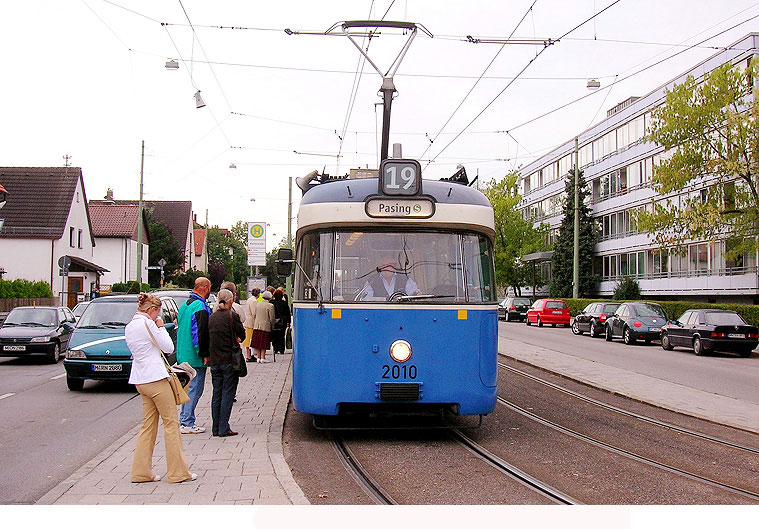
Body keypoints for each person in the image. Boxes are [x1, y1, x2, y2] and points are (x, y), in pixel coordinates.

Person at [125, 293, 196, 483]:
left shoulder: (130, 326)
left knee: (148, 426)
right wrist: (160, 327)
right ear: (152, 310)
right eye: (158, 312)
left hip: (140, 380)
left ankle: (140, 472)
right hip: (156, 379)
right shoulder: (149, 324)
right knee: (171, 424)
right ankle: (178, 473)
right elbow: (168, 347)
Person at [208, 288, 245, 437]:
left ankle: (215, 427)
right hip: (229, 360)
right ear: (231, 301)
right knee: (227, 394)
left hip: (215, 360)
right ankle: (224, 428)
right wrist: (237, 338)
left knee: (216, 393)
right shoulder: (232, 316)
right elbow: (241, 334)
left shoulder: (212, 317)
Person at [177, 277, 212, 434]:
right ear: (204, 288)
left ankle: (184, 419)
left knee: (187, 388)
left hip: (183, 353)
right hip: (194, 356)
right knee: (195, 389)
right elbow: (200, 332)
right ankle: (187, 422)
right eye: (209, 287)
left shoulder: (185, 305)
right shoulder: (200, 306)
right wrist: (204, 353)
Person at [358, 254, 422, 301]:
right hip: (378, 314)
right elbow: (365, 300)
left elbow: (414, 292)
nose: (385, 268)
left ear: (395, 266)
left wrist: (416, 293)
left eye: (388, 265)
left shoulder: (404, 279)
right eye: (383, 265)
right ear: (379, 267)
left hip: (401, 313)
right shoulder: (372, 281)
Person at [251, 290, 276, 362]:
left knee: (258, 343)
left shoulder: (258, 304)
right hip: (265, 326)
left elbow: (255, 315)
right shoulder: (270, 306)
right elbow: (272, 318)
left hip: (257, 326)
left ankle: (258, 357)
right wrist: (273, 326)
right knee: (264, 342)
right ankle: (263, 357)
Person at [270, 288, 291, 355]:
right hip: (283, 322)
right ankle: (281, 349)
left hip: (274, 321)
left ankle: (275, 349)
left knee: (274, 335)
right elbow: (288, 313)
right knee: (282, 336)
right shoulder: (284, 303)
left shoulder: (271, 302)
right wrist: (288, 322)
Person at [242, 288, 260, 362]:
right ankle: (250, 356)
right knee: (250, 340)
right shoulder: (254, 301)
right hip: (251, 323)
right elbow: (254, 312)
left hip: (247, 322)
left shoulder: (249, 299)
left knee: (248, 340)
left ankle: (249, 355)